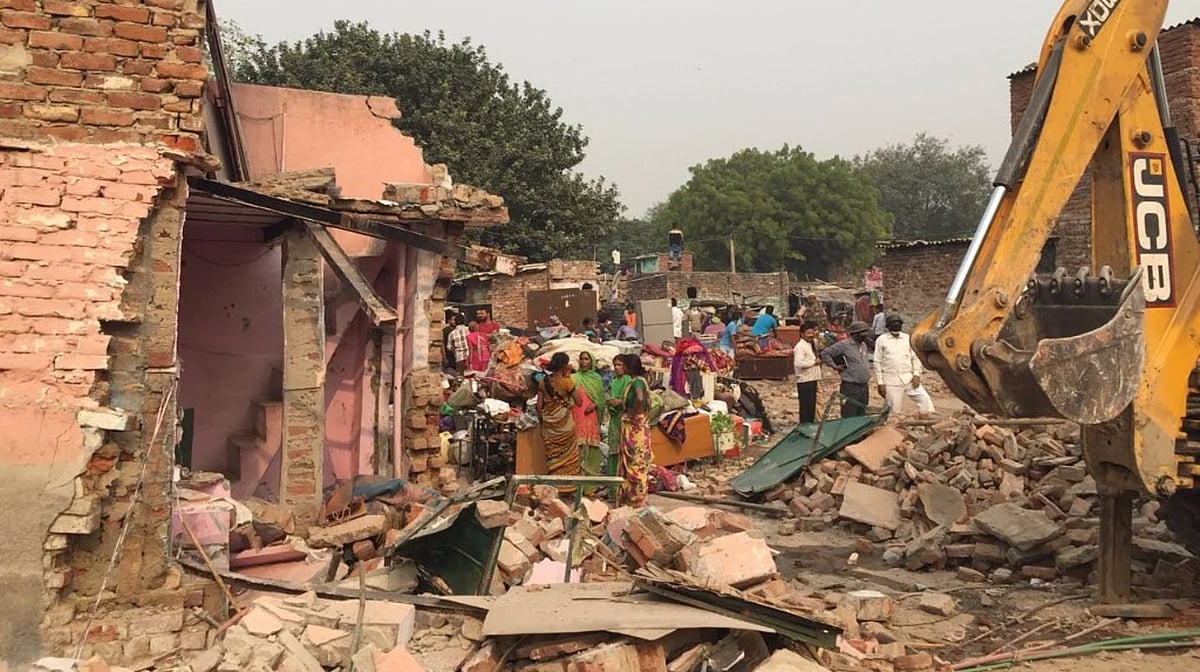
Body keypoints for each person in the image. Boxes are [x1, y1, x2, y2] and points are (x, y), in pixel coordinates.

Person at [873, 313, 936, 416]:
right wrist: (880, 383)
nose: (896, 325)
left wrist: (916, 374)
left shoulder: (907, 338)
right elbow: (877, 362)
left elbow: (915, 357)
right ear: (888, 327)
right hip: (891, 380)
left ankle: (926, 423)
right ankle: (889, 429)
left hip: (908, 378)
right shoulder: (882, 340)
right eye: (893, 324)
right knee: (894, 411)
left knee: (925, 400)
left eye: (898, 323)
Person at [537, 352, 580, 493]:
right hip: (565, 424)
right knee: (570, 457)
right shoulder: (567, 382)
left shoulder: (543, 381)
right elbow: (579, 402)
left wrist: (542, 421)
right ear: (564, 366)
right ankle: (568, 489)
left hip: (549, 423)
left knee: (553, 457)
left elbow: (538, 406)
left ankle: (555, 489)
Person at [617, 354, 653, 506]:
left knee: (635, 464)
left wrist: (632, 414)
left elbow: (639, 398)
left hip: (635, 429)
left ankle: (636, 498)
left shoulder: (637, 382)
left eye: (622, 364)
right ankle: (632, 497)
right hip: (637, 428)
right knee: (636, 463)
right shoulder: (638, 381)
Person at [820, 321, 872, 418]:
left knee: (862, 414)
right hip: (850, 386)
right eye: (863, 332)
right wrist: (835, 366)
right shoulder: (843, 345)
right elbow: (825, 354)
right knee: (849, 414)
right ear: (855, 334)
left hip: (864, 386)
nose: (865, 335)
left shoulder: (863, 345)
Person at [572, 351, 606, 485]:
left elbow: (601, 400)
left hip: (591, 417)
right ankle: (574, 485)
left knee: (591, 449)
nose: (583, 362)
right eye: (581, 359)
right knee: (576, 450)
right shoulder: (574, 378)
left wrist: (595, 404)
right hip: (576, 417)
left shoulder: (596, 379)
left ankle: (589, 487)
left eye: (586, 359)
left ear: (591, 362)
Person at [605, 355, 632, 477]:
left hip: (624, 418)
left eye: (619, 364)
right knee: (613, 451)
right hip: (614, 419)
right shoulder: (614, 381)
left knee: (623, 450)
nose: (616, 367)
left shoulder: (628, 380)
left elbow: (631, 399)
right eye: (615, 365)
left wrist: (620, 401)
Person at [793, 321, 822, 424]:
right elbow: (798, 363)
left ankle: (809, 426)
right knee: (806, 408)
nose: (811, 335)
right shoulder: (800, 346)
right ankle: (805, 427)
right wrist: (814, 362)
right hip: (805, 381)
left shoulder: (810, 344)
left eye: (812, 333)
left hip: (812, 379)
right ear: (802, 334)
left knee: (811, 408)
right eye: (808, 333)